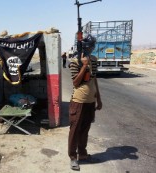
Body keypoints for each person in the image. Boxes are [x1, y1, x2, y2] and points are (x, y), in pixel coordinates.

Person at [68, 34, 102, 171]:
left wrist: (98, 98)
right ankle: (72, 157)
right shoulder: (75, 61)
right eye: (90, 45)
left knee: (85, 130)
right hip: (78, 101)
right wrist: (84, 66)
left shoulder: (94, 59)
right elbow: (76, 82)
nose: (92, 48)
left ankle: (82, 154)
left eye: (93, 45)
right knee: (75, 130)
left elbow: (94, 79)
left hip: (90, 102)